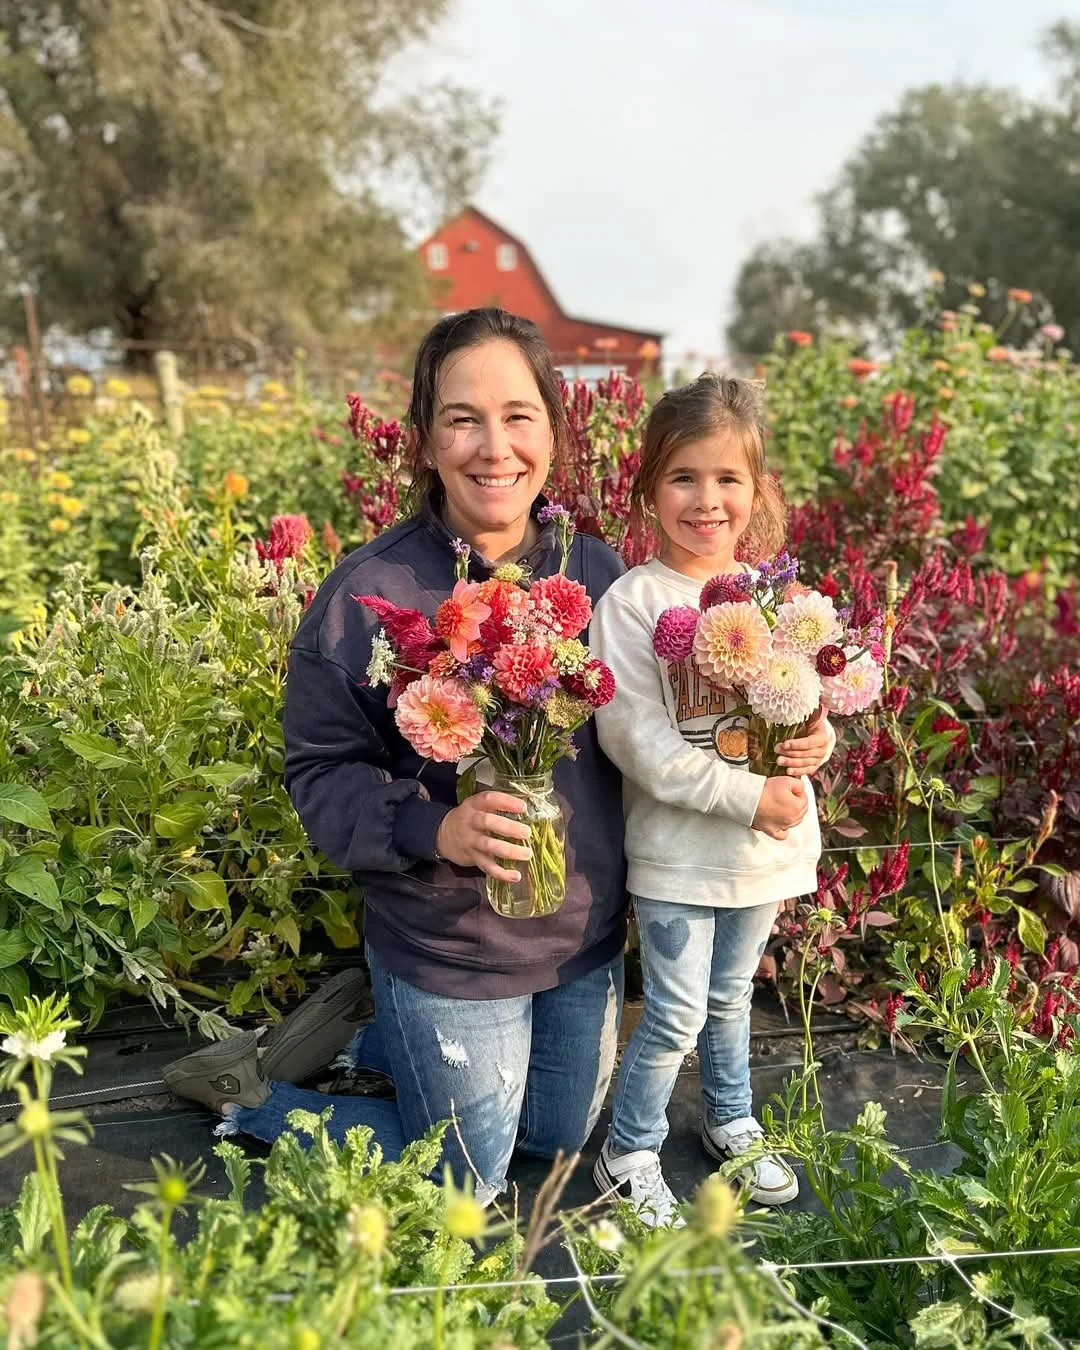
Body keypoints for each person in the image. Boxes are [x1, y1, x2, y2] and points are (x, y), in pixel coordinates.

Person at [166, 309, 628, 1206]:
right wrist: (436, 827)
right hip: (449, 942)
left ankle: (378, 1046)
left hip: (579, 941)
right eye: (462, 419)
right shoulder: (372, 596)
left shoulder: (598, 578)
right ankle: (253, 1098)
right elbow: (322, 770)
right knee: (468, 1184)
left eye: (519, 415)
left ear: (554, 434)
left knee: (558, 1139)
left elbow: (659, 729)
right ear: (422, 442)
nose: (494, 447)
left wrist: (773, 749)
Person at [588, 373, 835, 1226]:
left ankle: (730, 1120)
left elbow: (809, 703)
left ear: (756, 489)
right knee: (678, 1010)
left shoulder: (777, 599)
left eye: (728, 478)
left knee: (734, 999)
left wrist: (817, 742)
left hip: (762, 856)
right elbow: (641, 747)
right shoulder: (634, 602)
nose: (707, 499)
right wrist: (747, 798)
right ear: (651, 486)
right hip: (678, 859)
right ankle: (631, 1148)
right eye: (684, 477)